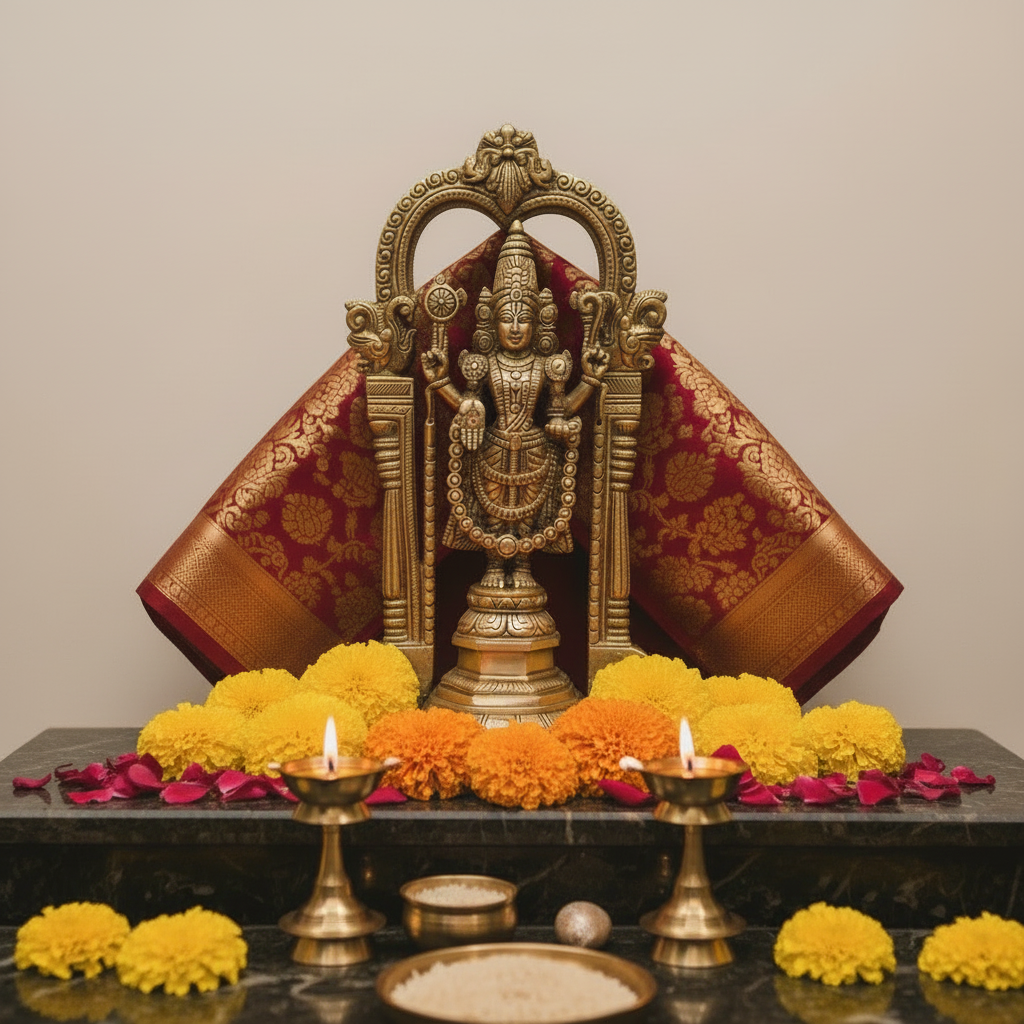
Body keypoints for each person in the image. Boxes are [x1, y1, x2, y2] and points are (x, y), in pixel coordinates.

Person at [422, 221, 608, 590]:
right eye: (507, 318)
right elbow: (469, 405)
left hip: (537, 452)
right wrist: (442, 382)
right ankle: (493, 567)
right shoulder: (483, 363)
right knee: (493, 514)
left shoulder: (547, 365)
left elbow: (560, 410)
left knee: (527, 516)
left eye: (525, 319)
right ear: (492, 321)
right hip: (491, 447)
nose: (517, 327)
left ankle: (522, 566)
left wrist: (588, 381)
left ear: (539, 323)